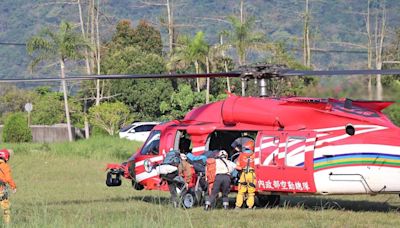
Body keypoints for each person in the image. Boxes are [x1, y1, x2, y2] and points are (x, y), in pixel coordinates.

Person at [235, 140, 256, 209]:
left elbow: (237, 166)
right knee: (251, 192)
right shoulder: (255, 155)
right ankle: (250, 206)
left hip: (243, 174)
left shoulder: (241, 155)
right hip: (252, 175)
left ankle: (238, 206)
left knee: (241, 191)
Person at [0, 149, 16, 224]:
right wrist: (13, 186)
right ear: (6, 157)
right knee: (6, 208)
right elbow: (8, 178)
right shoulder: (5, 166)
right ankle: (7, 224)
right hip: (2, 190)